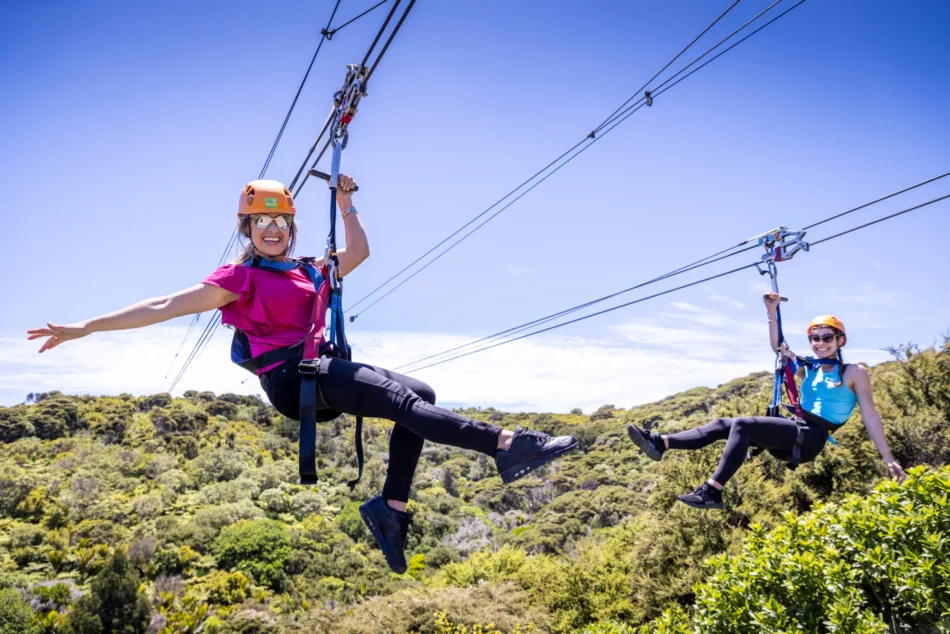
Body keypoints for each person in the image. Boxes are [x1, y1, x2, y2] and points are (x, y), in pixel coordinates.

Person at [27, 176, 578, 572]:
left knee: (421, 393)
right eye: (260, 221)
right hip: (293, 379)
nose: (271, 228)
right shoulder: (239, 277)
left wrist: (346, 204)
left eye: (280, 221)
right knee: (403, 403)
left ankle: (391, 509)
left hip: (321, 367)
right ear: (247, 227)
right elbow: (162, 305)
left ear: (290, 227)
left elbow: (359, 251)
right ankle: (507, 444)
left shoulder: (310, 268)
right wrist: (86, 327)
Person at [626, 292, 905, 510]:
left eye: (827, 337)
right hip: (795, 428)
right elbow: (780, 349)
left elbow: (870, 415)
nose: (820, 343)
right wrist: (771, 313)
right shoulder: (808, 366)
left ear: (840, 340)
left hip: (812, 437)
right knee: (726, 423)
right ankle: (660, 443)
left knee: (743, 426)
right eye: (815, 338)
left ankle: (712, 490)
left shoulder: (854, 372)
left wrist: (888, 458)